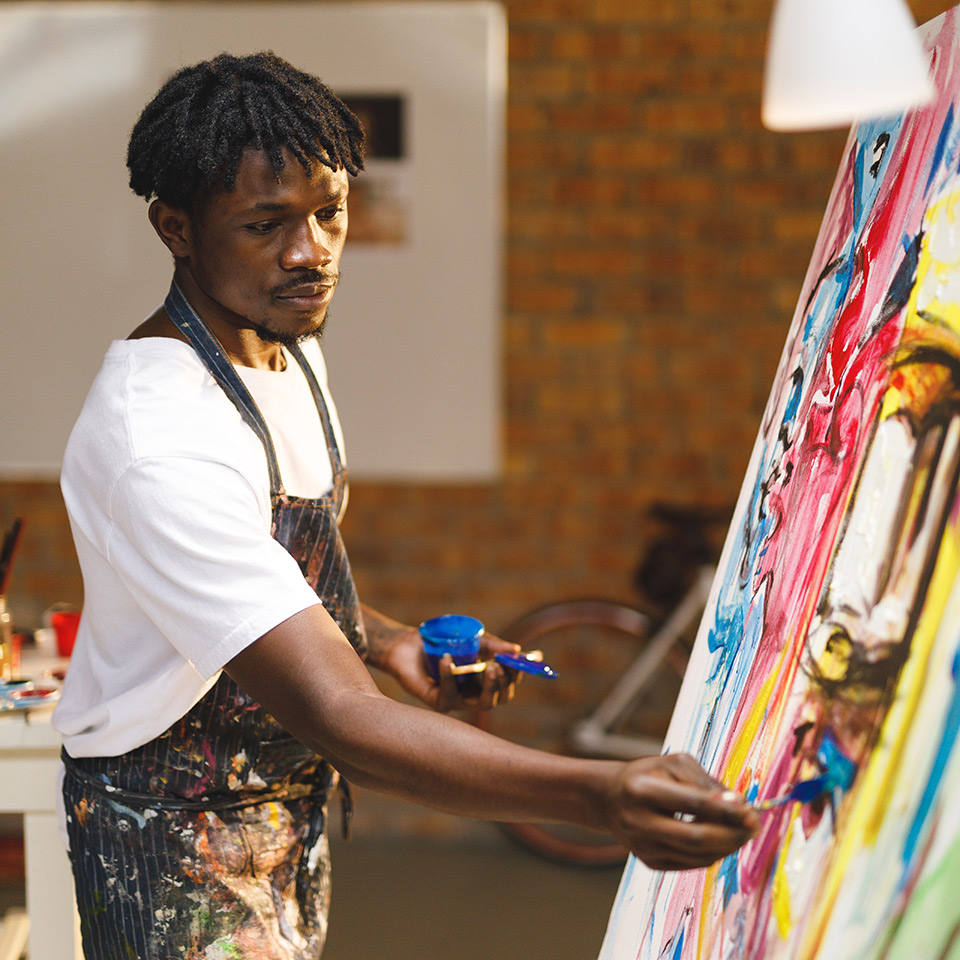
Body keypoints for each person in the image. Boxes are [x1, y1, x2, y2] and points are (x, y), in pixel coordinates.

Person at [52, 51, 758, 959]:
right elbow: (338, 715)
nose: (310, 253)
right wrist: (599, 796)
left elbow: (272, 581)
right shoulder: (157, 434)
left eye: (330, 212)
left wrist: (388, 642)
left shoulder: (283, 350)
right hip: (169, 844)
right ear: (177, 228)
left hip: (278, 812)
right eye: (266, 224)